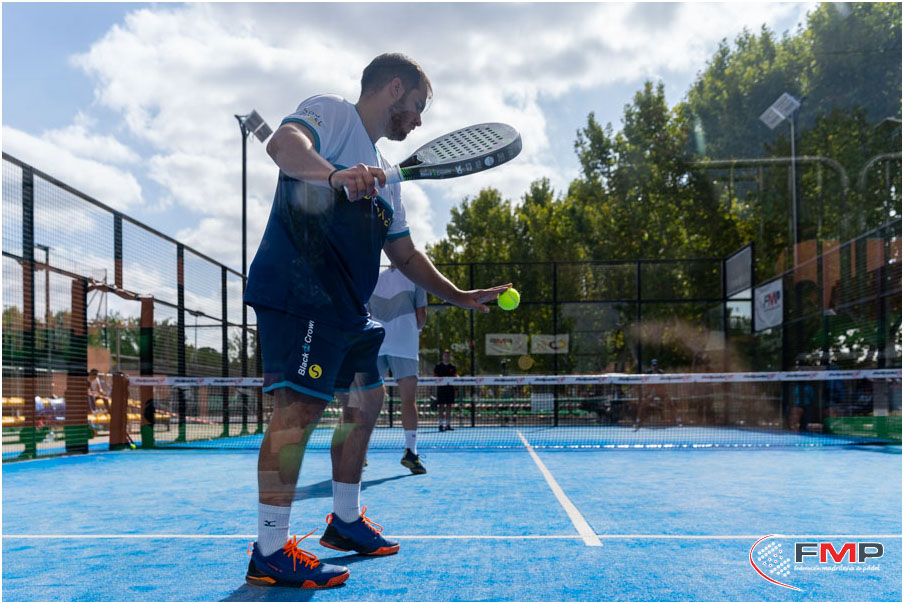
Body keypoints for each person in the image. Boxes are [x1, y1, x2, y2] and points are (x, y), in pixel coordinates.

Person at [242, 53, 512, 589]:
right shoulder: (333, 114)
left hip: (349, 309)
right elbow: (282, 146)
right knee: (297, 411)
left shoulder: (389, 178)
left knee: (367, 400)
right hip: (301, 292)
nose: (419, 119)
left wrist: (459, 296)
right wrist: (334, 175)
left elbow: (405, 255)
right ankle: (269, 550)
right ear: (393, 89)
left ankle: (344, 521)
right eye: (417, 104)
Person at [368, 264, 428, 474]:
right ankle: (411, 452)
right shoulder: (417, 277)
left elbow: (366, 314)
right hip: (405, 343)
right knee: (408, 400)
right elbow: (421, 315)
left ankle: (359, 450)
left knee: (367, 400)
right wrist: (413, 330)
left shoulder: (373, 279)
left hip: (376, 342)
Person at [633, 359, 682, 430]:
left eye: (655, 365)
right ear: (651, 366)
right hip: (651, 392)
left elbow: (662, 384)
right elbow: (647, 384)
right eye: (653, 365)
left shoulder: (661, 372)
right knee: (642, 405)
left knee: (671, 404)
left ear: (657, 366)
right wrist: (649, 393)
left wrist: (662, 392)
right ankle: (637, 422)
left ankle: (678, 421)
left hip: (661, 392)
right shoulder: (648, 373)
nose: (654, 367)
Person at [433, 349, 458, 431]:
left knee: (449, 407)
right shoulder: (438, 367)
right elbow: (435, 378)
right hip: (441, 389)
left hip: (450, 389)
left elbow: (455, 378)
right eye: (445, 355)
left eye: (448, 355)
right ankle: (440, 425)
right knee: (441, 407)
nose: (447, 356)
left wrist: (456, 389)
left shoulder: (453, 367)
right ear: (443, 356)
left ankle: (448, 424)